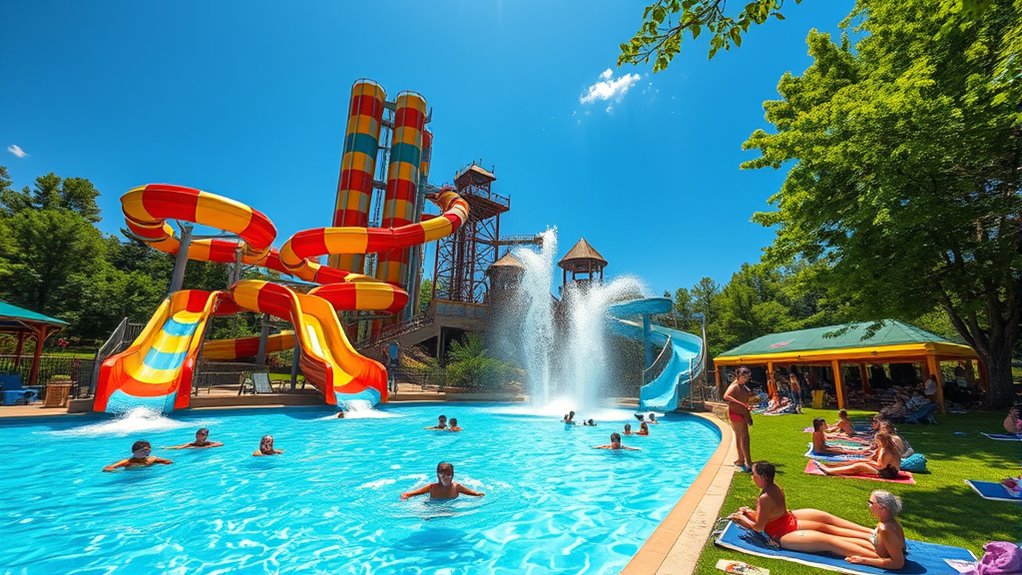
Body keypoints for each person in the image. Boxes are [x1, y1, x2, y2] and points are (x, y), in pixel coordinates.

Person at [728, 462, 903, 568]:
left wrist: (741, 518)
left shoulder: (765, 497)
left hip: (783, 534)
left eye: (754, 474)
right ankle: (872, 539)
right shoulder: (776, 487)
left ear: (763, 477)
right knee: (827, 529)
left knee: (829, 539)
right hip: (789, 521)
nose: (752, 477)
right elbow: (769, 515)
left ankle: (878, 554)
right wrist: (749, 513)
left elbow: (759, 527)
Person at [814, 432, 902, 479]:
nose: (876, 442)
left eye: (877, 441)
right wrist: (866, 459)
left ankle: (829, 471)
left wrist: (865, 461)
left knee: (859, 466)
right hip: (888, 470)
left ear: (881, 441)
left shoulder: (886, 451)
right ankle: (830, 466)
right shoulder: (886, 448)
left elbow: (880, 466)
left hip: (888, 473)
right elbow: (876, 460)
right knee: (859, 461)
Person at [723, 366, 754, 472]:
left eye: (747, 377)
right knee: (745, 438)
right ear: (738, 375)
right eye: (744, 377)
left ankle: (741, 459)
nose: (745, 379)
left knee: (740, 437)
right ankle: (748, 462)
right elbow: (726, 396)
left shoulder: (742, 386)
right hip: (736, 413)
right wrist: (742, 404)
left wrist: (748, 415)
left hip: (741, 414)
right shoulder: (735, 386)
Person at [400, 462, 485, 500]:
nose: (446, 478)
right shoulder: (432, 487)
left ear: (452, 475)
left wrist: (479, 494)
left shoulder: (457, 487)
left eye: (448, 475)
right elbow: (408, 494)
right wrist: (405, 497)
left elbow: (474, 493)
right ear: (438, 476)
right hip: (433, 506)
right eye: (443, 475)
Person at [103, 440, 173, 472]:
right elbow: (106, 468)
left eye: (147, 450)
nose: (145, 452)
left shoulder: (151, 459)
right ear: (134, 452)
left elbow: (169, 462)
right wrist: (120, 472)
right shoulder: (127, 462)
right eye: (142, 451)